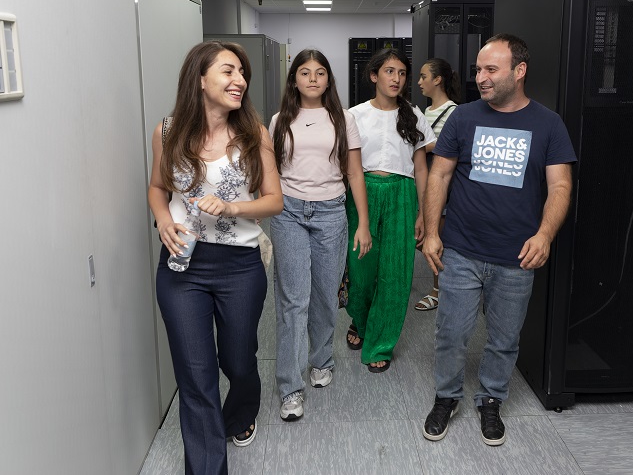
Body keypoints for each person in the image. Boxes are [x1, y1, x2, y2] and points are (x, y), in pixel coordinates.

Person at [420, 34, 576, 446]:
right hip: (461, 250)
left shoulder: (548, 124)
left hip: (516, 256)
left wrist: (545, 235)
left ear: (519, 71)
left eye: (491, 69)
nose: (481, 78)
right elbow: (440, 174)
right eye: (478, 70)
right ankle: (446, 396)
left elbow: (560, 185)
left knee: (504, 340)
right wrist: (432, 232)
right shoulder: (464, 117)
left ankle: (491, 399)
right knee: (451, 334)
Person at [148, 41, 283, 474]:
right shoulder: (167, 132)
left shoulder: (254, 134)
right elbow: (158, 187)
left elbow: (275, 200)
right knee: (196, 376)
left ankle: (241, 412)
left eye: (242, 73)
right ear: (200, 79)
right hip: (182, 265)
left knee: (238, 361)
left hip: (239, 265)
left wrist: (231, 207)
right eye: (228, 71)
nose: (239, 80)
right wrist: (162, 220)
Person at [269, 49, 371, 421]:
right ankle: (290, 387)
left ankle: (321, 359)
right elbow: (270, 172)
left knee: (326, 295)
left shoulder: (344, 118)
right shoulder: (279, 120)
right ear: (294, 79)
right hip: (289, 213)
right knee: (294, 301)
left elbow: (355, 173)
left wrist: (363, 223)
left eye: (320, 72)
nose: (313, 79)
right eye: (305, 72)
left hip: (331, 212)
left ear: (328, 79)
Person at [345, 47, 436, 372]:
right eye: (389, 71)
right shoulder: (353, 115)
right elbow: (347, 166)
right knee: (361, 270)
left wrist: (424, 212)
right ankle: (360, 318)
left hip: (402, 194)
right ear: (374, 76)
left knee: (396, 272)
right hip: (363, 193)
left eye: (401, 73)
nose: (396, 78)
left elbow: (421, 168)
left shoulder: (413, 115)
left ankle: (380, 343)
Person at [414, 58, 461, 311]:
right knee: (421, 238)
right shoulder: (424, 111)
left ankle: (438, 290)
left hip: (441, 185)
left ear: (438, 79)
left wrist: (421, 145)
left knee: (436, 240)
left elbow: (451, 146)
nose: (419, 82)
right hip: (421, 180)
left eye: (424, 77)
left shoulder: (454, 112)